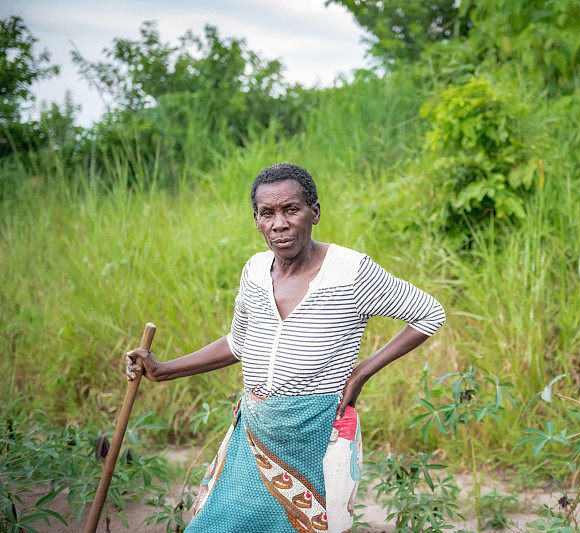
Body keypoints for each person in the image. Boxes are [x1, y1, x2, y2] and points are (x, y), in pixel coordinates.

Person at [125, 163, 445, 533]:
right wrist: (164, 369)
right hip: (256, 433)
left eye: (291, 210)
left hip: (316, 434)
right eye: (268, 213)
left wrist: (361, 372)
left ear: (315, 212)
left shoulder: (350, 271)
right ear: (257, 220)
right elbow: (238, 343)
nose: (280, 223)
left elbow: (428, 314)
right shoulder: (255, 272)